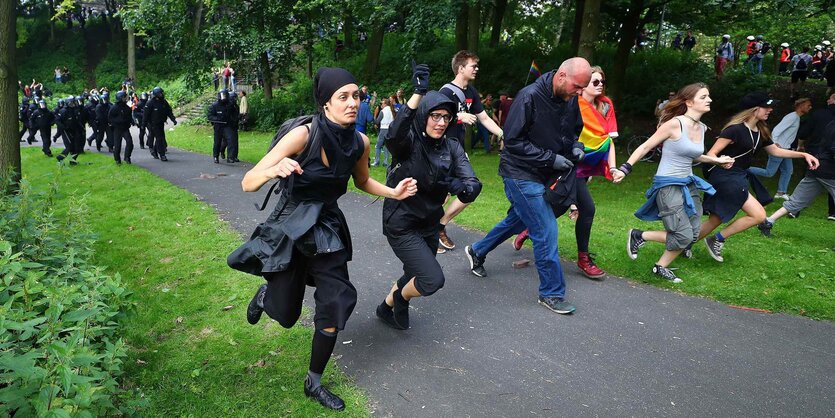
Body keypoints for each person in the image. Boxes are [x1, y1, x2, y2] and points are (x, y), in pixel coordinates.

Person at [228, 67, 417, 411]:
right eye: (342, 97)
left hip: (327, 226)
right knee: (286, 316)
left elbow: (362, 182)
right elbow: (249, 181)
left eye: (355, 96)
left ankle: (313, 381)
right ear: (326, 103)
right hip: (291, 225)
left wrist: (394, 192)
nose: (351, 103)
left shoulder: (360, 141)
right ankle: (269, 291)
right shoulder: (303, 135)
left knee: (335, 301)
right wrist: (275, 169)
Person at [464, 57, 592, 315]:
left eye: (583, 88)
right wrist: (551, 158)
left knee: (519, 220)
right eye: (577, 87)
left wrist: (576, 148)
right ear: (562, 76)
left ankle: (477, 250)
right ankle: (552, 293)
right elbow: (513, 142)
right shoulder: (529, 97)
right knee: (545, 229)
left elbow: (574, 131)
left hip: (548, 173)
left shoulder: (570, 99)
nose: (580, 93)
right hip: (519, 173)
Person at [375, 64, 482, 330]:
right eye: (435, 116)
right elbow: (394, 135)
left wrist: (463, 186)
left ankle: (385, 306)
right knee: (431, 279)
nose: (441, 122)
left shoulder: (452, 146)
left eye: (446, 117)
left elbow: (471, 182)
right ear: (424, 115)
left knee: (414, 272)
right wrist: (418, 94)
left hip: (429, 223)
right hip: (401, 222)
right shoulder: (409, 142)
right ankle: (400, 298)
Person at [617, 83, 734, 282]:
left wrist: (717, 160)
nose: (710, 100)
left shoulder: (701, 127)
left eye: (709, 96)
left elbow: (695, 155)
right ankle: (640, 236)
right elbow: (646, 146)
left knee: (694, 232)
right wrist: (625, 168)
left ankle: (659, 266)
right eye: (704, 97)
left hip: (688, 183)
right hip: (668, 184)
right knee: (683, 235)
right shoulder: (674, 124)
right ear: (689, 102)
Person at [513, 66, 620, 278]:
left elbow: (608, 139)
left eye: (601, 82)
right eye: (594, 82)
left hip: (589, 163)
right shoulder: (572, 101)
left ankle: (528, 230)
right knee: (587, 209)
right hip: (569, 164)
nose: (598, 86)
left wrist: (613, 167)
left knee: (562, 206)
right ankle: (583, 259)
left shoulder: (605, 106)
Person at [698, 92, 819, 262]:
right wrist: (720, 161)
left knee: (716, 218)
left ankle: (684, 244)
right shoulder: (734, 130)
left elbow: (775, 151)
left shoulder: (760, 130)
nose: (770, 109)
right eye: (766, 106)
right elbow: (711, 153)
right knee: (758, 215)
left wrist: (804, 155)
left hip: (738, 177)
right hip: (726, 177)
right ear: (754, 109)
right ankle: (716, 239)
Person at [436, 50, 504, 251]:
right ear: (460, 68)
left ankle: (440, 225)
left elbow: (483, 118)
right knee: (439, 194)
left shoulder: (471, 92)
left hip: (457, 151)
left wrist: (503, 135)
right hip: (440, 150)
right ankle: (427, 231)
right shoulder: (446, 92)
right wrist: (458, 117)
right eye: (473, 66)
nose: (477, 69)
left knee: (471, 188)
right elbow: (433, 118)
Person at [758, 121, 834, 236]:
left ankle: (768, 222)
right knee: (797, 200)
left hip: (817, 167)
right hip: (830, 171)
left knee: (798, 200)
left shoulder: (831, 123)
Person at [748, 98, 813, 199]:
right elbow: (777, 130)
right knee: (769, 173)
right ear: (801, 105)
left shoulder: (796, 117)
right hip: (779, 149)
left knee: (788, 170)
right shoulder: (792, 117)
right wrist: (775, 143)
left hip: (786, 150)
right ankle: (743, 169)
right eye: (808, 105)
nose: (810, 107)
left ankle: (781, 193)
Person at [796, 93, 835, 220]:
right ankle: (832, 213)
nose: (827, 100)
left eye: (830, 98)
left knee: (808, 178)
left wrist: (800, 145)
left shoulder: (818, 114)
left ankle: (794, 209)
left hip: (815, 151)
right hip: (829, 154)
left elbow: (805, 131)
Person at [143, 86, 177, 161]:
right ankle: (162, 154)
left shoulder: (164, 102)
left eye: (162, 93)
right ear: (157, 94)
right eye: (160, 93)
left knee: (160, 137)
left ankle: (155, 151)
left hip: (161, 123)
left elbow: (169, 111)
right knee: (159, 139)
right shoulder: (150, 103)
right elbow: (145, 115)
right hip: (153, 124)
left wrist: (173, 119)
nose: (162, 94)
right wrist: (143, 125)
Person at [208, 89, 238, 163]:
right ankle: (216, 156)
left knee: (231, 140)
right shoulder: (215, 106)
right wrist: (217, 119)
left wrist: (233, 120)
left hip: (227, 125)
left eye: (225, 95)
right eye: (222, 95)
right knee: (217, 142)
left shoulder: (230, 105)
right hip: (218, 126)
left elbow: (235, 114)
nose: (223, 97)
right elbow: (210, 116)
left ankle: (230, 157)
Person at [55, 95, 84, 165]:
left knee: (77, 147)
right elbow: (58, 121)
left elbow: (77, 120)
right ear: (69, 103)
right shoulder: (63, 111)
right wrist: (64, 127)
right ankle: (60, 158)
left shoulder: (75, 110)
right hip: (66, 131)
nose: (74, 104)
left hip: (74, 130)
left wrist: (82, 128)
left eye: (75, 102)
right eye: (73, 103)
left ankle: (73, 161)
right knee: (69, 147)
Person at [109, 91, 135, 165]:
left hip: (125, 128)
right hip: (117, 129)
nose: (126, 99)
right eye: (124, 97)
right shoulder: (114, 108)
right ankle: (117, 159)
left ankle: (127, 157)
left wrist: (132, 122)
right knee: (117, 145)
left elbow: (129, 117)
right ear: (120, 98)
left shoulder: (127, 108)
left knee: (130, 143)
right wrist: (117, 122)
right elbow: (110, 118)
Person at [372, 97, 395, 167]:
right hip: (390, 130)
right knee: (386, 147)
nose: (381, 104)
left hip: (383, 129)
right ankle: (386, 162)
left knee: (378, 146)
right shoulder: (392, 111)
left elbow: (377, 121)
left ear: (385, 104)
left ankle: (376, 162)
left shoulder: (383, 111)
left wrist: (374, 118)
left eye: (382, 103)